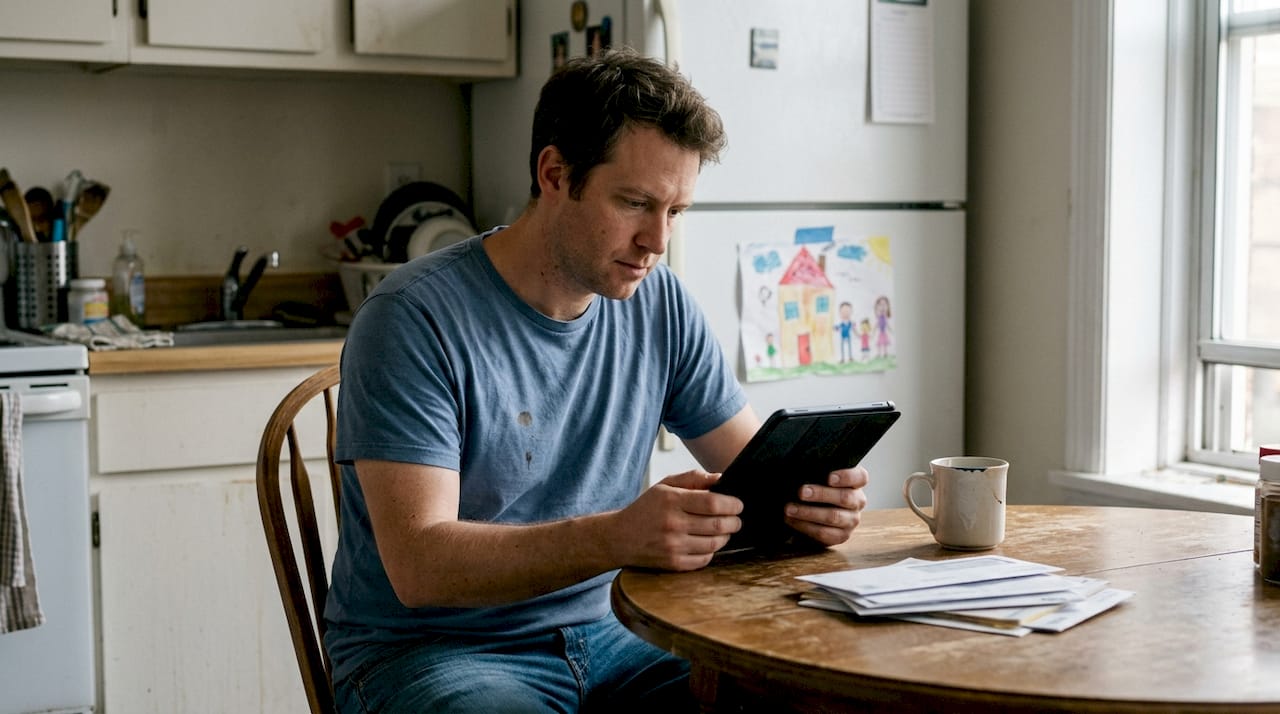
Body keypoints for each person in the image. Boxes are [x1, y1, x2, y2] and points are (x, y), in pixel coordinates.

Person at [325, 48, 872, 713]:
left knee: (808, 694)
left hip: (621, 630)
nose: (656, 240)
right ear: (555, 173)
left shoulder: (660, 303)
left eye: (676, 211)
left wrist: (808, 504)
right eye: (636, 203)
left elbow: (752, 466)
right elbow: (420, 566)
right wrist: (616, 537)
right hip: (434, 653)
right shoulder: (412, 318)